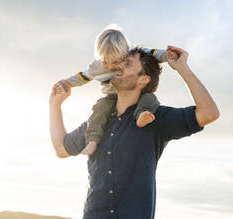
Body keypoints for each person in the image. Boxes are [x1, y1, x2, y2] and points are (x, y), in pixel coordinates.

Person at [49, 45, 220, 219]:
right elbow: (61, 149)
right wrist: (55, 105)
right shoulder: (98, 121)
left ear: (143, 79)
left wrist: (182, 68)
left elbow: (209, 113)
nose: (118, 66)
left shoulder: (155, 119)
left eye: (127, 64)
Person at [57, 26, 169, 156]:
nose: (113, 67)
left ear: (125, 53)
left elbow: (154, 53)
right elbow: (82, 77)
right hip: (112, 97)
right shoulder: (96, 67)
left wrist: (169, 55)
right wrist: (66, 83)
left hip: (136, 94)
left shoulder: (133, 55)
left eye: (117, 61)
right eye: (107, 62)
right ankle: (92, 141)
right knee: (99, 109)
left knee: (150, 98)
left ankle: (142, 115)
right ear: (100, 57)